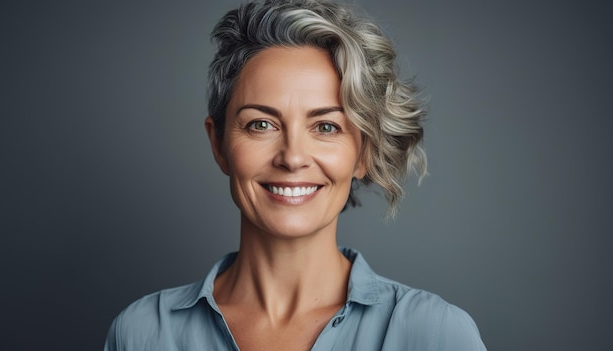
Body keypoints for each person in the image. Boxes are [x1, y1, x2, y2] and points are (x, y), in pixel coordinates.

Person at [103, 0, 487, 350]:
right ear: (218, 144)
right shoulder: (142, 334)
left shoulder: (435, 334)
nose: (292, 157)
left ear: (363, 153)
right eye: (261, 125)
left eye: (326, 127)